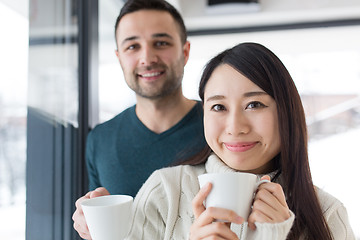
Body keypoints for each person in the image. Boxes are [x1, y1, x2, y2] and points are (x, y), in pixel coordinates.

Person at [125, 42, 355, 239]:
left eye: (254, 105)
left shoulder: (328, 214)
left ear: (286, 112)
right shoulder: (166, 191)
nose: (235, 127)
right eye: (218, 107)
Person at [72, 0, 207, 239]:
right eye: (132, 46)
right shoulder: (100, 140)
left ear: (185, 52)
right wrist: (87, 223)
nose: (147, 58)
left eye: (161, 43)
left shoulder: (221, 126)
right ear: (119, 57)